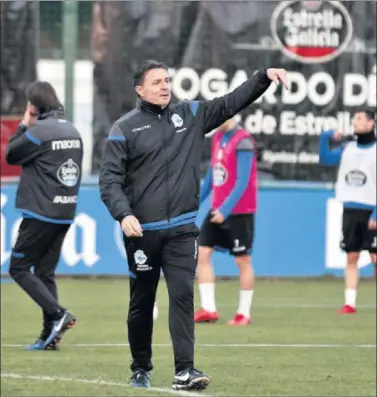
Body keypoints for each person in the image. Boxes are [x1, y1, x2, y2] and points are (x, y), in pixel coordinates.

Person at [99, 59, 288, 390]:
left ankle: (184, 370)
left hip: (184, 230)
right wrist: (124, 214)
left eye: (167, 80)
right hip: (143, 232)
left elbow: (231, 101)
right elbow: (109, 181)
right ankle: (140, 366)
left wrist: (263, 78)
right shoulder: (124, 129)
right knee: (141, 303)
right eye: (156, 81)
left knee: (183, 296)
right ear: (139, 89)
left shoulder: (190, 114)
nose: (164, 85)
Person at [6, 81, 83, 350]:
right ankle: (49, 337)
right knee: (45, 273)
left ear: (34, 105)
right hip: (65, 211)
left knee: (17, 268)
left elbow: (11, 155)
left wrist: (24, 124)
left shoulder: (39, 132)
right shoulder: (72, 130)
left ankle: (58, 313)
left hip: (40, 212)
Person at [194, 117, 257, 326]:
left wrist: (225, 210)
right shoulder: (218, 137)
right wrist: (194, 203)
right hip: (217, 209)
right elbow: (212, 176)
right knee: (202, 253)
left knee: (242, 260)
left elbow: (242, 181)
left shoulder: (244, 141)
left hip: (239, 212)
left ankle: (243, 313)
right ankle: (208, 308)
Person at [319, 109, 376, 313]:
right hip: (351, 209)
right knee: (351, 257)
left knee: (375, 258)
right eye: (354, 120)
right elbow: (325, 159)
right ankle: (350, 303)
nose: (355, 123)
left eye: (360, 119)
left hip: (371, 210)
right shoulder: (347, 148)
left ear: (371, 124)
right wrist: (325, 137)